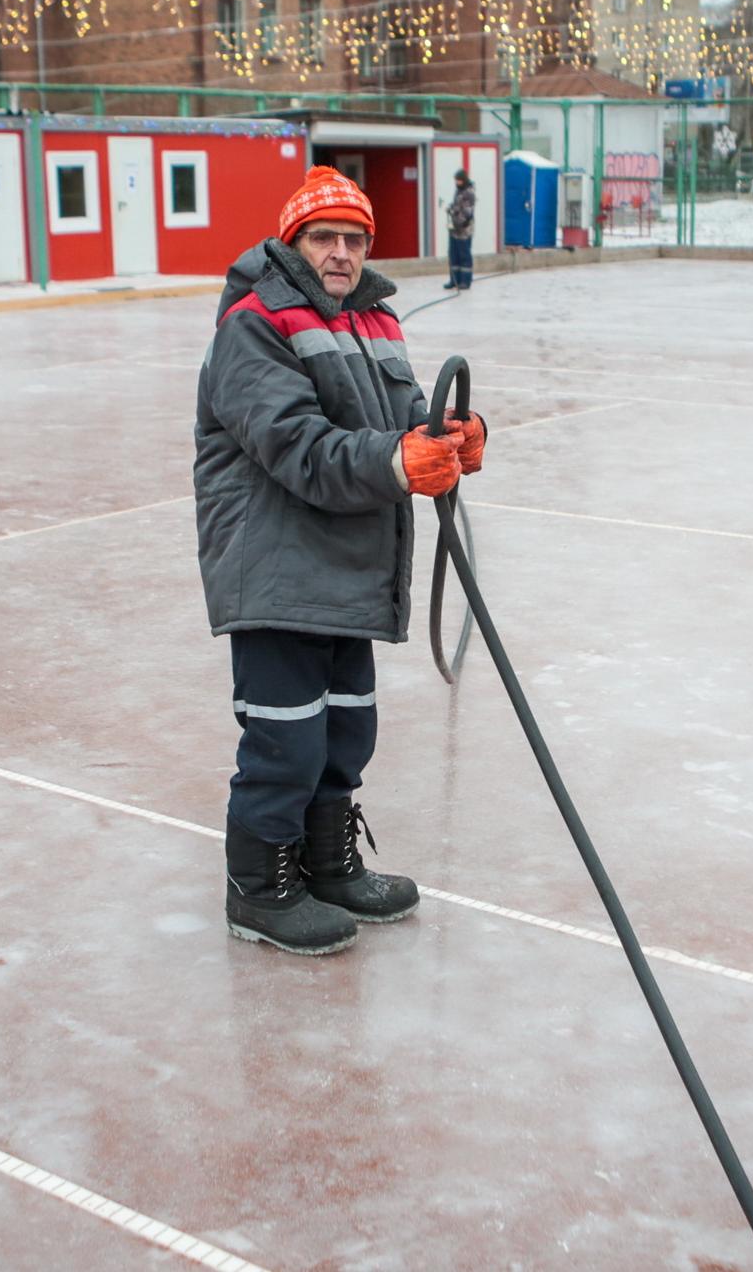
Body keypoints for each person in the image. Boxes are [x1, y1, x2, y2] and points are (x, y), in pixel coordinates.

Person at [194, 166, 488, 956]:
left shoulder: (376, 321)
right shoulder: (253, 325)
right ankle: (258, 889)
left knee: (345, 731)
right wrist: (398, 463)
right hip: (279, 567)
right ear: (292, 242)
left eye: (354, 239)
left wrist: (449, 436)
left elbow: (401, 420)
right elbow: (296, 445)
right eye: (324, 237)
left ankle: (326, 863)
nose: (341, 252)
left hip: (346, 567)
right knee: (284, 739)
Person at [444, 166, 476, 291]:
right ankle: (454, 280)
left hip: (464, 230)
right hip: (454, 229)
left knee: (464, 255)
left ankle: (465, 281)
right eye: (456, 180)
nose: (457, 183)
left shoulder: (469, 192)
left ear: (464, 180)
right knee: (453, 255)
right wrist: (450, 208)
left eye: (459, 180)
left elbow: (467, 213)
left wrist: (460, 224)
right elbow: (456, 204)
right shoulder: (459, 190)